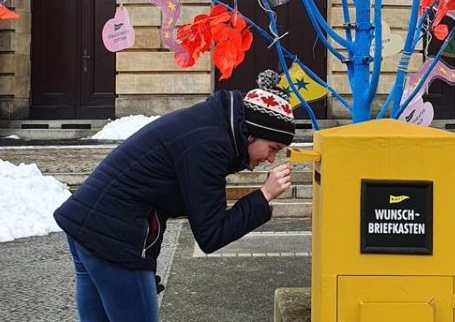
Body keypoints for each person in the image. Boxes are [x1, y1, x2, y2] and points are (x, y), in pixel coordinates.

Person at [54, 70, 296, 322]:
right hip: (114, 239)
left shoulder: (210, 123)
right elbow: (212, 234)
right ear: (252, 132)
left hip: (85, 224)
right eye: (272, 148)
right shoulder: (210, 143)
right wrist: (265, 194)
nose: (270, 158)